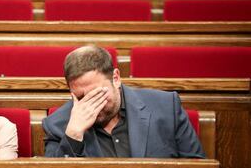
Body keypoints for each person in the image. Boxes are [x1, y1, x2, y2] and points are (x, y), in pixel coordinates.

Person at [42, 45, 205, 158]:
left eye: (97, 94)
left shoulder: (166, 107)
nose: (91, 106)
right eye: (80, 97)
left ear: (116, 78)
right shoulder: (58, 124)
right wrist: (73, 135)